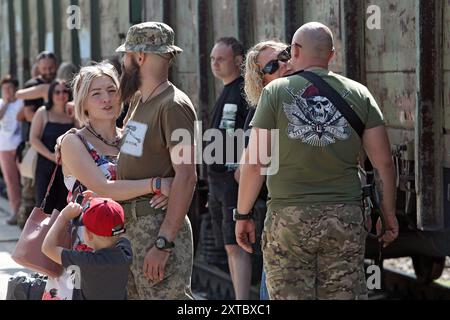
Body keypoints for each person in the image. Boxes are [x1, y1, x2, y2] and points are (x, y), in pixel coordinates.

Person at [235, 22, 399, 300]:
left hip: (289, 221)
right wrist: (388, 213)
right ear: (331, 55)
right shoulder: (359, 93)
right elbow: (383, 163)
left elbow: (254, 164)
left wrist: (243, 215)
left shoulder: (275, 93)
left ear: (295, 50)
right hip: (344, 218)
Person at [116, 22, 197, 300]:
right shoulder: (140, 100)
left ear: (139, 57)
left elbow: (186, 176)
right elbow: (130, 149)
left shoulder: (172, 105)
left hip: (155, 227)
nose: (123, 63)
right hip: (132, 227)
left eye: (126, 56)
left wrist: (163, 243)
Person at [238, 40, 293, 300]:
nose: (283, 64)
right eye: (272, 65)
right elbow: (250, 167)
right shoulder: (263, 110)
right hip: (283, 218)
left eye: (285, 56)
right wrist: (242, 214)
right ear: (260, 80)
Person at [207, 37, 251, 300]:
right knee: (230, 245)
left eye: (220, 59)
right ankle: (239, 298)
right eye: (212, 59)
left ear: (237, 61)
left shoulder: (243, 91)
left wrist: (242, 165)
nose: (214, 63)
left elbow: (251, 132)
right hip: (220, 183)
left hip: (233, 182)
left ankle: (243, 301)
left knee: (237, 246)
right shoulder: (226, 90)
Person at [42, 197, 133, 300]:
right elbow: (123, 236)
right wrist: (102, 205)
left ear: (89, 235)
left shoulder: (86, 261)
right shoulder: (125, 253)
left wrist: (63, 217)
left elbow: (47, 248)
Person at [15, 51, 58, 227]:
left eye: (51, 67)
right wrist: (50, 118)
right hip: (33, 145)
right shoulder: (34, 85)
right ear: (38, 68)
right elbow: (28, 114)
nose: (48, 71)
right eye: (44, 68)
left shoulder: (59, 85)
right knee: (29, 191)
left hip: (55, 146)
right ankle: (24, 230)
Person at [30, 80, 74, 213]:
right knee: (44, 207)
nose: (61, 95)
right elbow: (33, 139)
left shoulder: (72, 113)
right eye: (57, 92)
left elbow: (80, 133)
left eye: (64, 91)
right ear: (50, 94)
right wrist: (51, 156)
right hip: (45, 167)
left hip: (68, 169)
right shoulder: (43, 112)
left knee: (64, 207)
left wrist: (76, 112)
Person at [0, 76, 23, 225]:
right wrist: (6, 104)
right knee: (11, 183)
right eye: (5, 89)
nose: (7, 91)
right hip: (4, 148)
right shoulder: (1, 104)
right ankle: (15, 213)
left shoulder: (21, 102)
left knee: (25, 182)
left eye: (10, 88)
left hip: (19, 148)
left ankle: (25, 213)